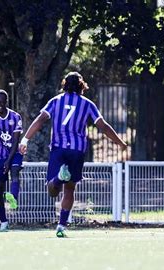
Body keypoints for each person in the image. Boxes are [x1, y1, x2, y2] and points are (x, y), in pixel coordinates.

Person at [19, 72, 127, 238]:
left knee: (53, 190)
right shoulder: (87, 104)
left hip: (59, 148)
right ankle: (61, 225)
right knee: (70, 188)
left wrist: (25, 139)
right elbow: (103, 126)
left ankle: (58, 179)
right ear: (81, 86)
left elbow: (40, 119)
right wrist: (120, 142)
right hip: (77, 150)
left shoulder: (56, 101)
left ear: (64, 85)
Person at [0, 89, 23, 231]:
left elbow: (15, 141)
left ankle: (13, 197)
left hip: (14, 153)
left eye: (1, 101)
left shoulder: (15, 116)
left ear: (6, 102)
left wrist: (9, 160)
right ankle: (4, 222)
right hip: (0, 156)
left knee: (14, 172)